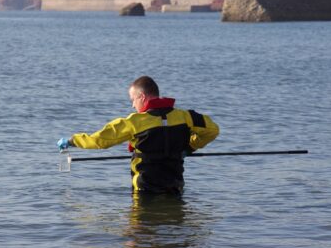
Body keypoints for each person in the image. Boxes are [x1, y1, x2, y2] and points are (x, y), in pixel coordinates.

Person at [57, 76, 219, 194]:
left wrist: (72, 141)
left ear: (142, 97)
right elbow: (213, 130)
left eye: (133, 99)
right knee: (173, 229)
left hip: (145, 186)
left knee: (139, 237)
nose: (133, 105)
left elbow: (100, 140)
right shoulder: (186, 116)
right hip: (175, 184)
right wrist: (190, 146)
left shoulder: (135, 122)